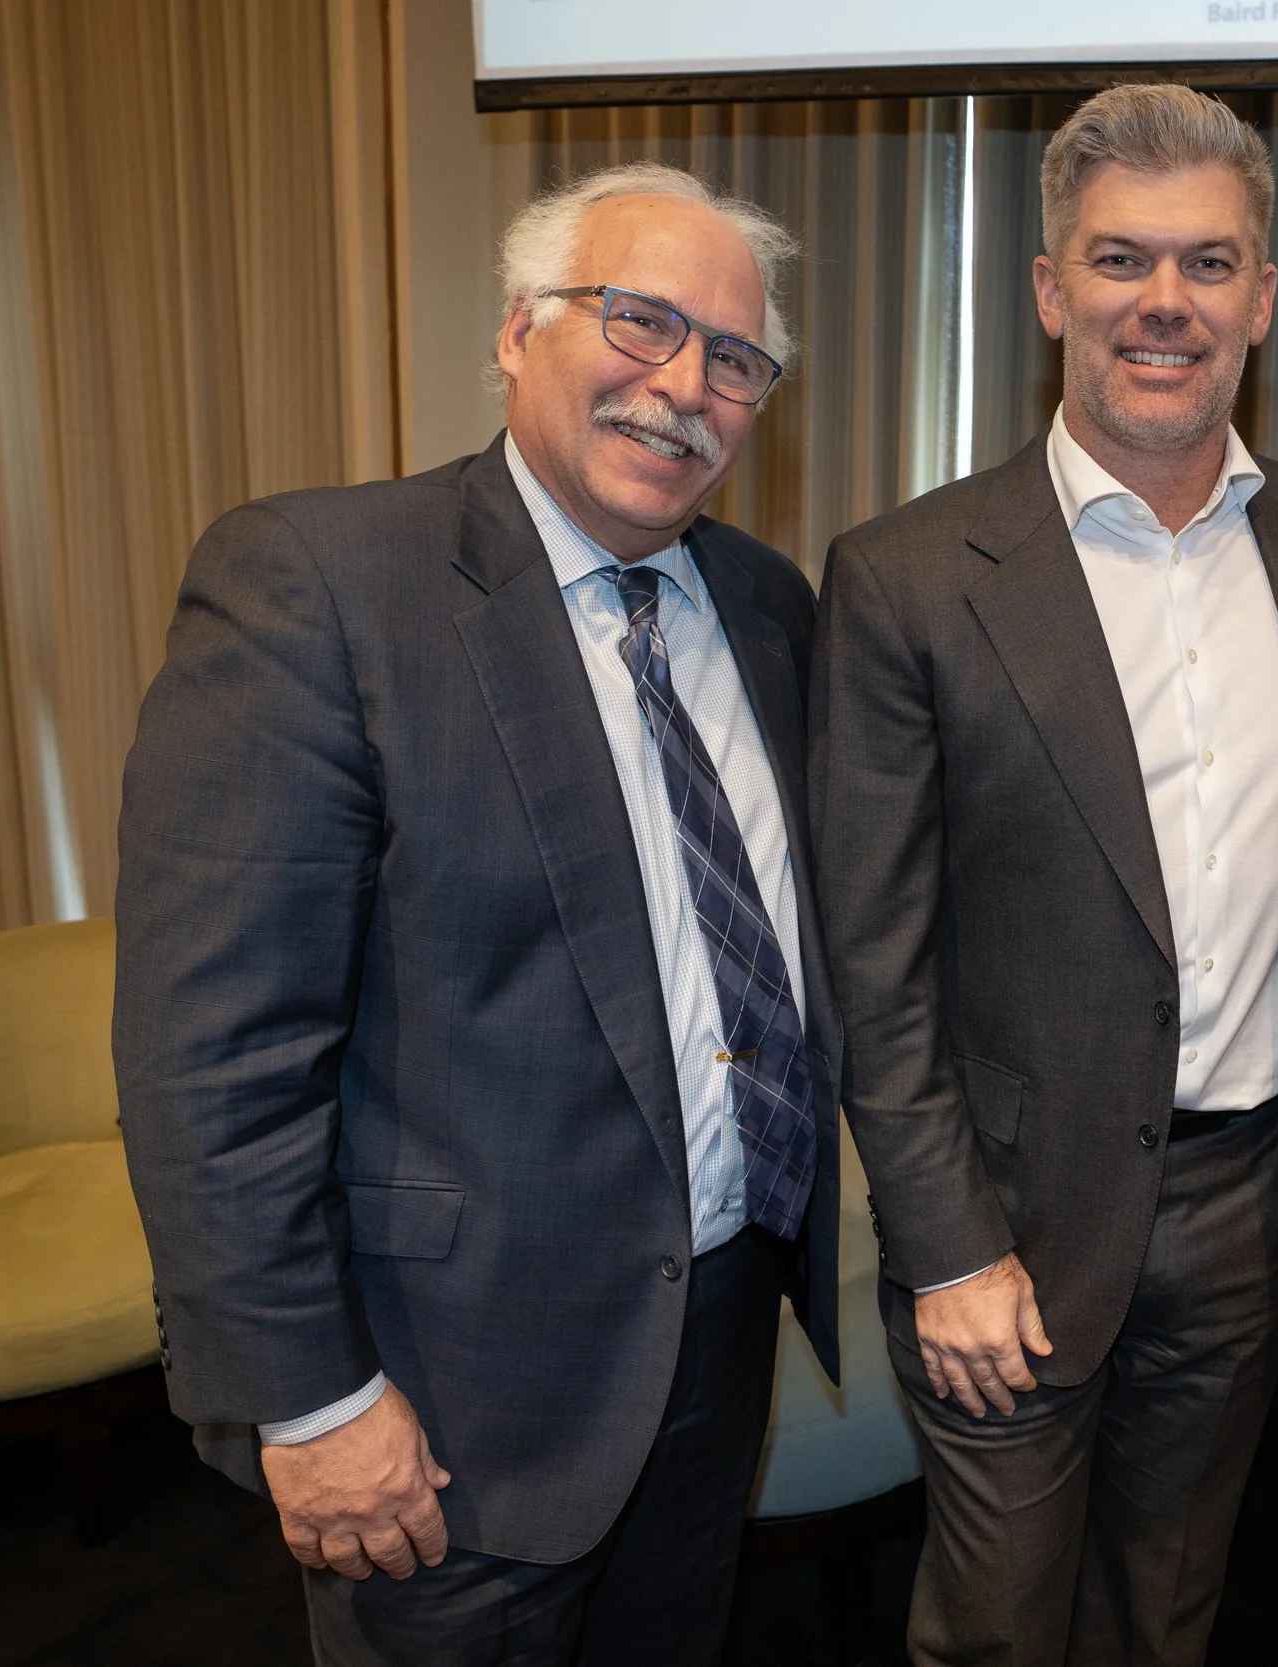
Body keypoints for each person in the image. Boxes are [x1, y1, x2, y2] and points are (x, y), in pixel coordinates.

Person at [114, 161, 842, 1666]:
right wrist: (310, 1399)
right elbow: (214, 1057)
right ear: (519, 330)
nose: (684, 384)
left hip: (713, 1340)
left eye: (735, 357)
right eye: (638, 320)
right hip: (446, 1402)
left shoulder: (767, 611)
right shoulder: (323, 585)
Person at [809, 84, 1278, 1665]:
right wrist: (943, 1243)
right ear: (1049, 288)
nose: (1165, 303)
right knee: (1002, 1627)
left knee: (1171, 1606)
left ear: (1263, 299)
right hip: (1006, 1214)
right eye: (1122, 260)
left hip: (1248, 1199)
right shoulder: (910, 574)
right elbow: (873, 958)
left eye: (1209, 264)